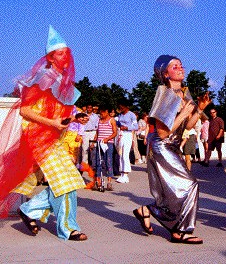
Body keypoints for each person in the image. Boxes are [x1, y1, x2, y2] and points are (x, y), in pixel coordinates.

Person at [0, 25, 87, 241]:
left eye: (66, 52)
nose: (65, 56)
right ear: (49, 58)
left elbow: (59, 116)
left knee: (68, 181)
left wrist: (76, 118)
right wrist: (51, 122)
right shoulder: (42, 76)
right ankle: (67, 228)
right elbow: (25, 110)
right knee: (66, 181)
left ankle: (31, 209)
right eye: (60, 53)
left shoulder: (64, 83)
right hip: (39, 139)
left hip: (55, 139)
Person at [133, 55, 210, 244]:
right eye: (175, 67)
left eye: (181, 65)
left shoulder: (185, 93)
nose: (181, 68)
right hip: (161, 146)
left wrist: (199, 109)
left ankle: (148, 211)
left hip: (173, 146)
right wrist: (183, 112)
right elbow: (162, 133)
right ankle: (181, 231)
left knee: (174, 191)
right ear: (165, 74)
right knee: (190, 184)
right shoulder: (164, 94)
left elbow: (189, 125)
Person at [90, 104, 117, 192]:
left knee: (108, 161)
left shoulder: (111, 120)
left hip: (108, 144)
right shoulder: (99, 120)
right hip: (99, 143)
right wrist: (93, 142)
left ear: (106, 112)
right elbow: (97, 133)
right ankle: (97, 181)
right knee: (97, 162)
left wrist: (107, 139)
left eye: (102, 113)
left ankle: (109, 182)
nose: (101, 115)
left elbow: (115, 133)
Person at [116, 98, 138, 183]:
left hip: (128, 134)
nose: (120, 108)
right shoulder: (120, 115)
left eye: (121, 107)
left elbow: (136, 127)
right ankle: (121, 173)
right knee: (120, 154)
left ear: (126, 106)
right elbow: (118, 123)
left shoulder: (132, 115)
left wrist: (127, 127)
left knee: (125, 154)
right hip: (120, 134)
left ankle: (126, 174)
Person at [79, 104, 99, 175]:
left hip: (93, 132)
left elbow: (97, 127)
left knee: (93, 149)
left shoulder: (96, 116)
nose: (89, 109)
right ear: (87, 108)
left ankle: (93, 165)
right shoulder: (83, 115)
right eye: (88, 108)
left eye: (91, 108)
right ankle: (85, 165)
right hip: (85, 132)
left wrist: (96, 135)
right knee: (84, 149)